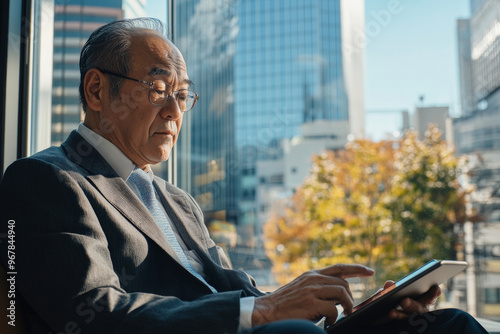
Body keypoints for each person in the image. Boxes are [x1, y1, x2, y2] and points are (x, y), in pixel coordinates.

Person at [0, 18, 487, 334]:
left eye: (182, 94)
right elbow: (93, 314)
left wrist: (346, 311)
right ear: (96, 89)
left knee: (448, 325)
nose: (175, 110)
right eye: (157, 88)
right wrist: (266, 313)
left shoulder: (176, 200)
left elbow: (239, 290)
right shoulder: (45, 180)